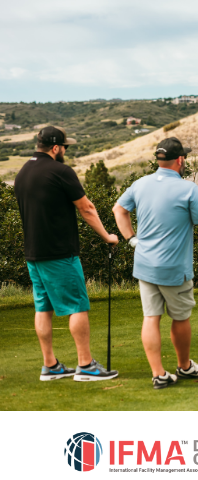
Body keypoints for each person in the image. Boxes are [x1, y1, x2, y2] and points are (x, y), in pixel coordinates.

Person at [112, 137, 198, 389]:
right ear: (180, 160)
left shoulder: (140, 184)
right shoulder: (188, 189)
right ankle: (184, 368)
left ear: (159, 160)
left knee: (151, 317)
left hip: (145, 264)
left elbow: (119, 210)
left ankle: (158, 374)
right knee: (180, 318)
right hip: (174, 268)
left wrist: (132, 240)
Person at [14, 126, 119, 382]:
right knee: (77, 306)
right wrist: (108, 237)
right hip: (59, 254)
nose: (65, 151)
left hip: (34, 254)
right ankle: (86, 366)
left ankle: (50, 366)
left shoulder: (23, 172)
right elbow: (87, 209)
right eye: (65, 147)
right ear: (55, 147)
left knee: (43, 308)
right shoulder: (61, 171)